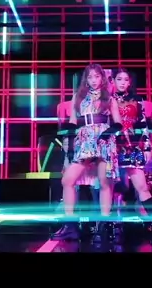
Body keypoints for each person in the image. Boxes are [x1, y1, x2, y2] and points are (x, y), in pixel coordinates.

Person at [52, 64, 121, 241]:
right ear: (86, 79)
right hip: (84, 140)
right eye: (90, 77)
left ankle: (104, 225)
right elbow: (73, 122)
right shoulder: (78, 97)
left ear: (102, 78)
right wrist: (68, 138)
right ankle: (70, 225)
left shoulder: (109, 98)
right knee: (67, 180)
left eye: (97, 76)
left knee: (105, 183)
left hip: (104, 140)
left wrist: (108, 133)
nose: (93, 80)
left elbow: (118, 123)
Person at [111, 68, 152, 236]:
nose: (122, 82)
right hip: (111, 146)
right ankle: (107, 225)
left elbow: (142, 125)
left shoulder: (137, 100)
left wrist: (147, 147)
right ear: (113, 81)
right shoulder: (107, 99)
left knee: (142, 186)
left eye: (125, 79)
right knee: (110, 187)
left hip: (131, 147)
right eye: (119, 79)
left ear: (129, 82)